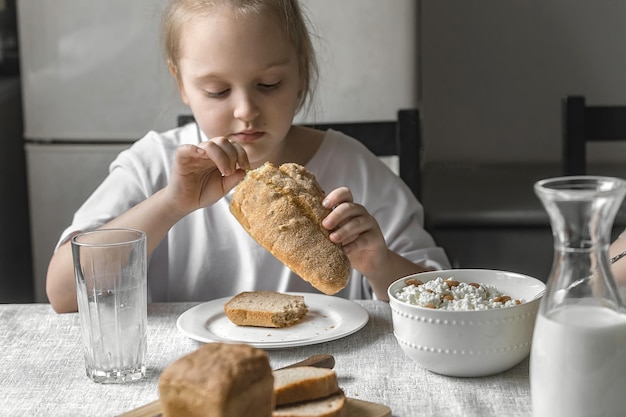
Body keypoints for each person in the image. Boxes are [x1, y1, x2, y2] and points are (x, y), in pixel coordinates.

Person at [46, 0, 450, 313]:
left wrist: (379, 263)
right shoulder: (152, 165)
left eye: (269, 83)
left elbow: (442, 300)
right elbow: (64, 294)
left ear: (302, 72)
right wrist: (170, 205)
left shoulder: (354, 169)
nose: (245, 111)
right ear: (182, 84)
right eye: (218, 91)